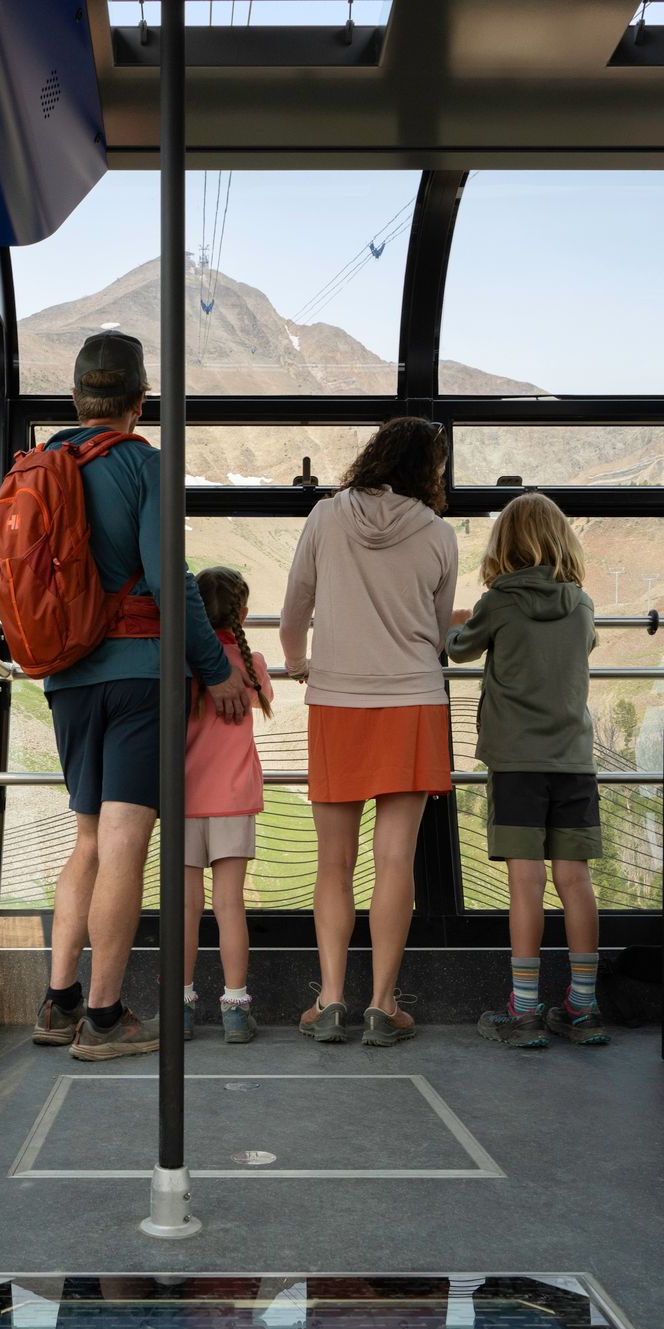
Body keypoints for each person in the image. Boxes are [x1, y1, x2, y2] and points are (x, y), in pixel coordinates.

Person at [0, 331, 250, 1060]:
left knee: (90, 838)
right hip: (137, 675)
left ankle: (58, 1001)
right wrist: (216, 670)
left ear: (75, 399)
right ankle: (104, 1019)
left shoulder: (33, 468)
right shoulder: (142, 463)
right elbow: (170, 581)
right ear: (138, 403)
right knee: (128, 840)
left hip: (66, 679)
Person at [278, 417, 456, 1048]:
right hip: (413, 701)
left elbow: (295, 605)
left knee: (334, 861)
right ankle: (383, 1005)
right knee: (395, 858)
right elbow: (437, 630)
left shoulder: (326, 517)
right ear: (427, 470)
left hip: (337, 700)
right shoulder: (438, 533)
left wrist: (299, 663)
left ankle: (329, 1001)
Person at [447, 492, 608, 1049]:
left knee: (526, 884)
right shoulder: (582, 603)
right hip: (573, 760)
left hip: (517, 764)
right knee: (575, 881)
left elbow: (459, 649)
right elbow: (581, 645)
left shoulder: (500, 601)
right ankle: (583, 1009)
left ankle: (524, 1012)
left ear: (504, 546)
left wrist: (459, 622)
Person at [182, 566, 272, 1045]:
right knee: (229, 905)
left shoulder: (184, 659)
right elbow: (266, 698)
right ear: (242, 612)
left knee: (186, 907)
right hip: (234, 800)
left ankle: (182, 1006)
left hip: (184, 799)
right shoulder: (250, 661)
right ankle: (235, 1008)